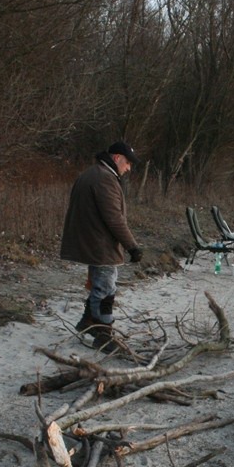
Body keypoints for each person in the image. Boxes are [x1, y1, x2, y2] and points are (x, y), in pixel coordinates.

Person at [60, 141, 144, 350]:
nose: (129, 168)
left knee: (101, 284)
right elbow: (114, 219)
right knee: (106, 287)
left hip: (90, 240)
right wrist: (132, 246)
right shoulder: (104, 179)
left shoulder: (93, 173)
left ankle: (87, 321)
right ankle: (103, 333)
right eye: (127, 163)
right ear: (116, 158)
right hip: (99, 243)